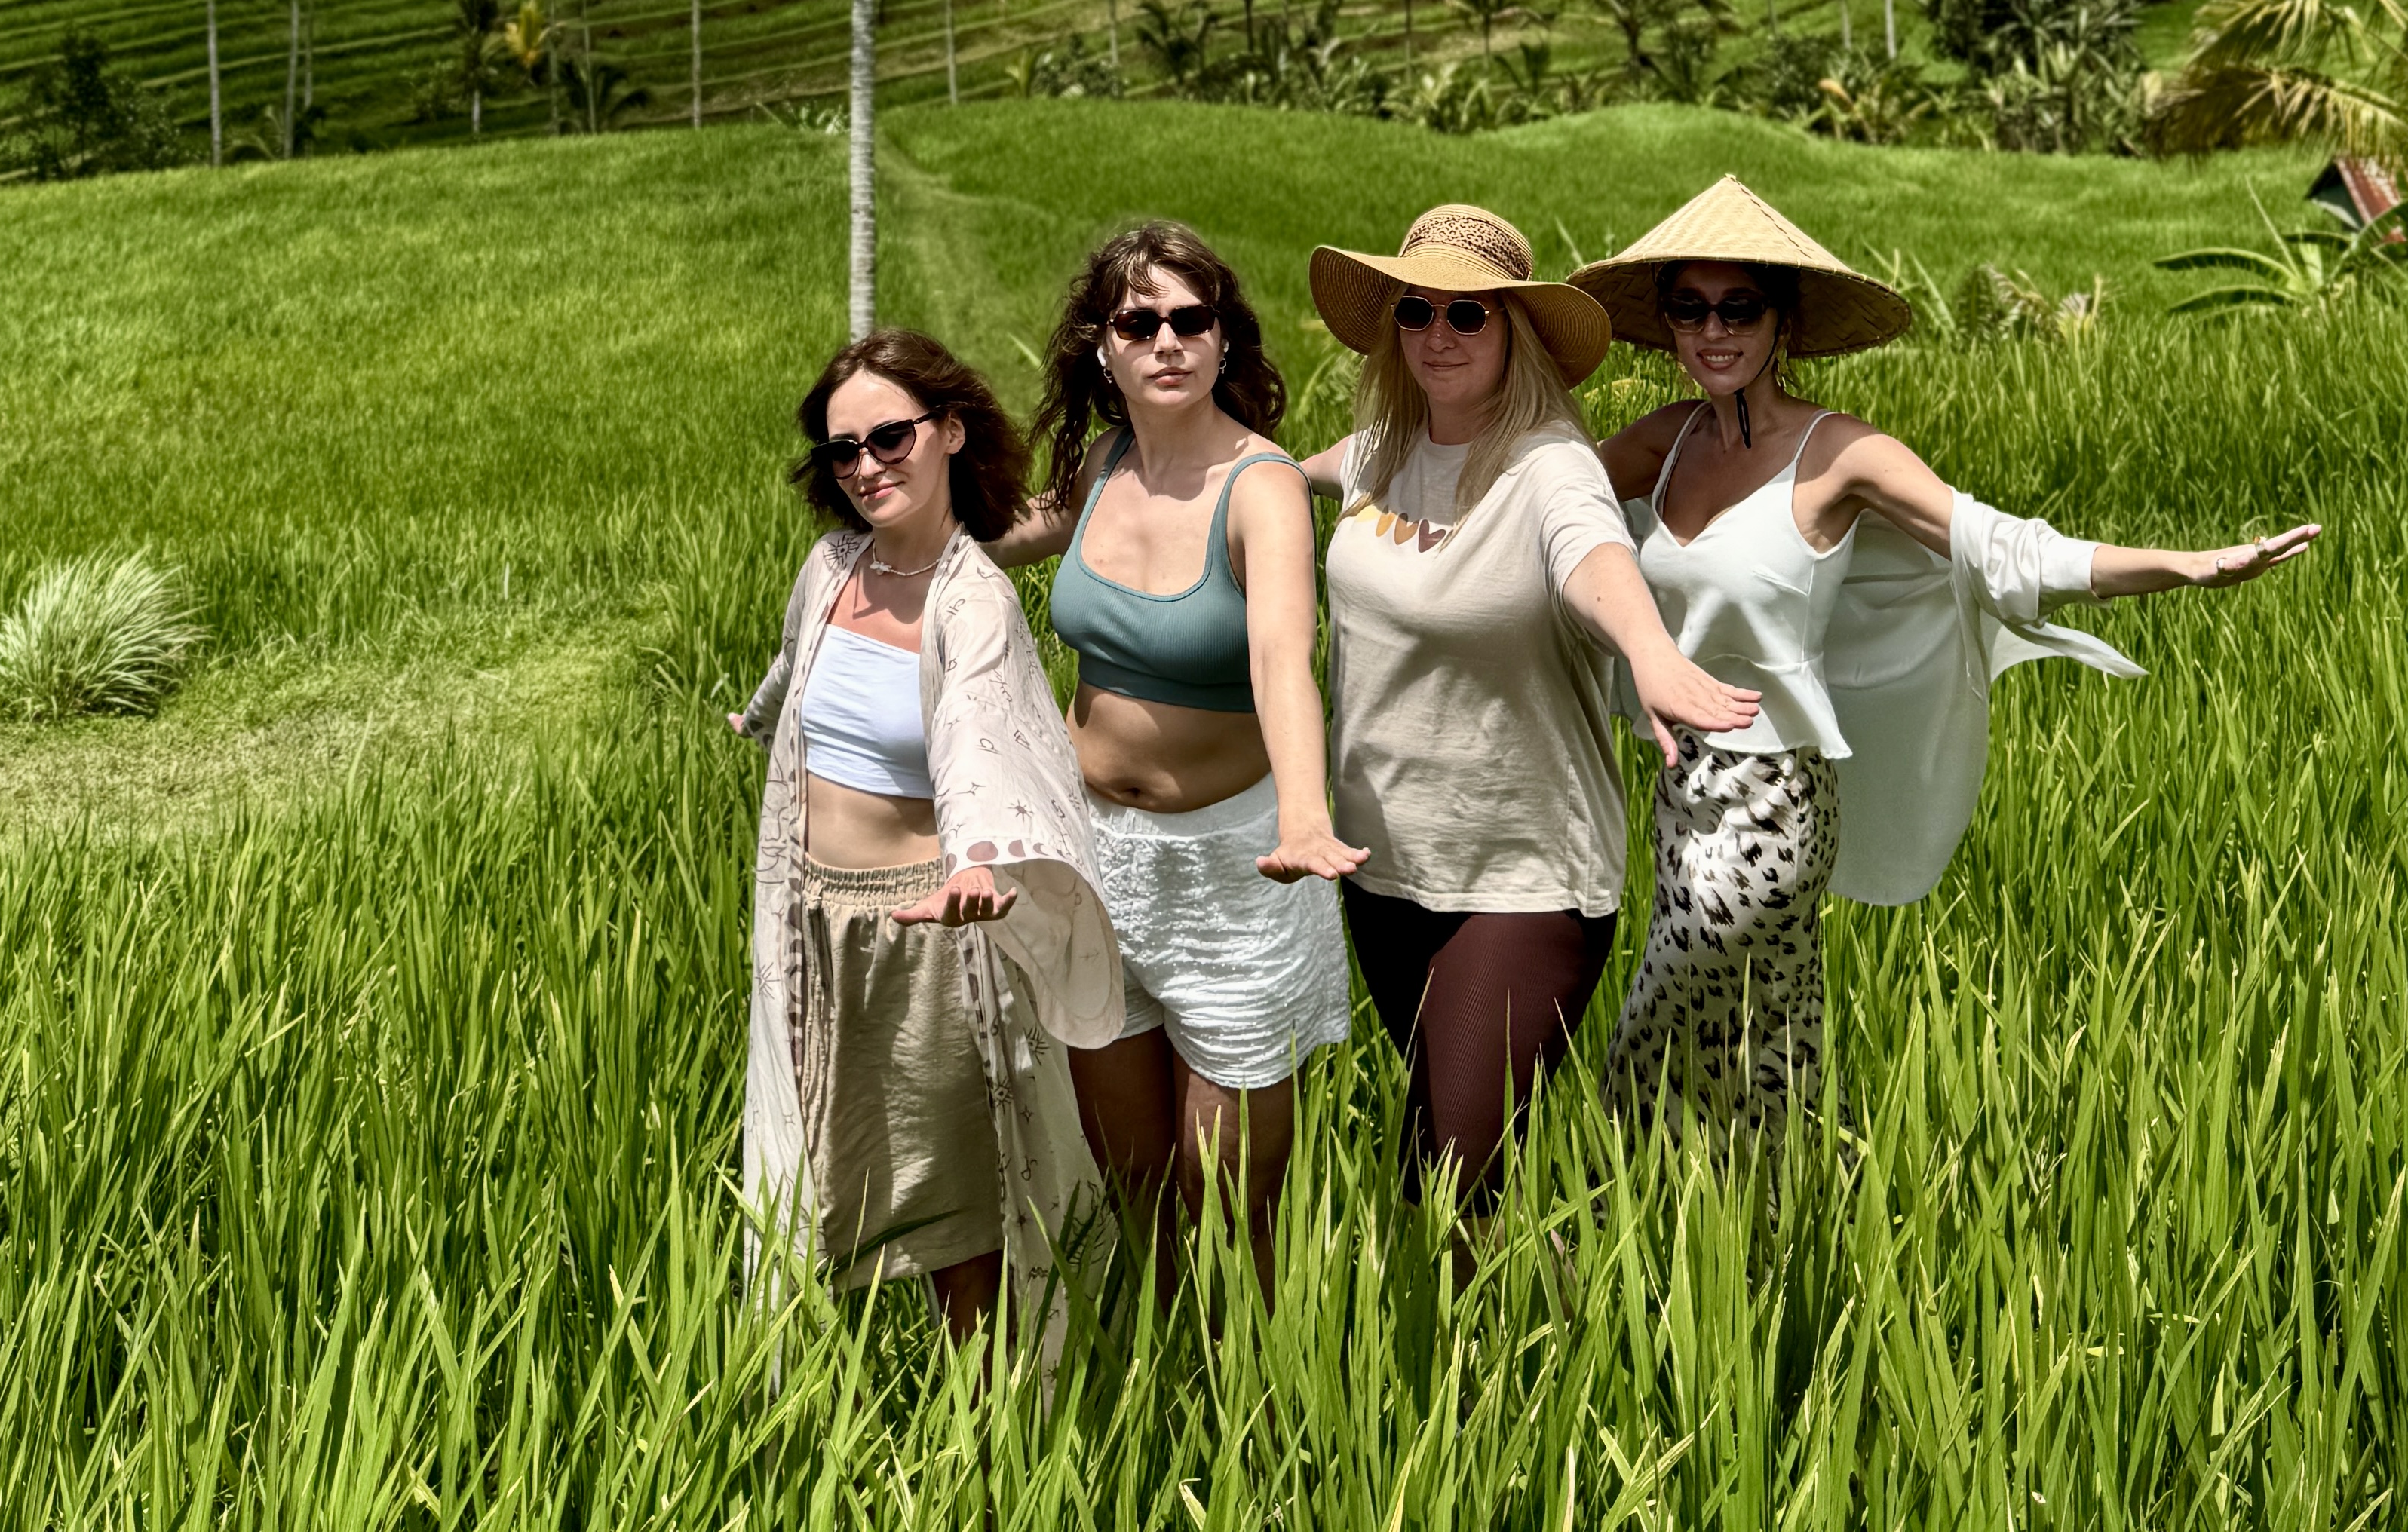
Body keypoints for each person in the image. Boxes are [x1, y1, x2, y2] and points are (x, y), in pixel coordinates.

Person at [1578, 177, 2320, 1132]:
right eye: (1689, 308)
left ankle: (1614, 1219)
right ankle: (1780, 1229)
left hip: (1773, 802)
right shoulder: (1665, 444)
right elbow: (1546, 509)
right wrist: (1378, 471)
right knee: (1768, 1040)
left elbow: (2006, 546)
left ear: (1782, 322)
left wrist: (2185, 565)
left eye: (1739, 307)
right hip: (1681, 796)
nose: (1712, 330)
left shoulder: (1838, 454)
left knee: (1656, 1033)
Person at [1297, 201, 1760, 1223]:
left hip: (1523, 875)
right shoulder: (1380, 449)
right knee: (1448, 1147)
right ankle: (1530, 1328)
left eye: (1469, 316)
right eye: (1416, 313)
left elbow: (1594, 559)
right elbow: (1262, 489)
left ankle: (1463, 1372)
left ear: (1516, 330)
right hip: (1380, 865)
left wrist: (1646, 649)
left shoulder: (1550, 466)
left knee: (1450, 1180)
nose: (1437, 337)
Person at [731, 328, 1124, 1350]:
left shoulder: (971, 602)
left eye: (889, 439)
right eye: (843, 451)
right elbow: (793, 669)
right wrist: (757, 715)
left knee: (956, 1217)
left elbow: (984, 742)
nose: (867, 467)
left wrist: (982, 859)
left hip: (926, 937)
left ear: (951, 432)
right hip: (810, 927)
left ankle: (996, 1466)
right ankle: (840, 1429)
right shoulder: (831, 570)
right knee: (817, 1175)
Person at [995, 221, 1357, 1300]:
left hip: (1234, 871)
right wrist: (891, 527)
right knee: (1139, 1189)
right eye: (1138, 321)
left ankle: (1258, 1426)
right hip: (1096, 860)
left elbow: (1286, 661)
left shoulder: (1263, 488)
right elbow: (1008, 534)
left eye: (1189, 319)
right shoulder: (1103, 466)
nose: (1166, 341)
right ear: (1102, 347)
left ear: (1223, 338)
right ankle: (1158, 1409)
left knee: (1229, 1204)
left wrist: (1304, 815)